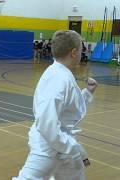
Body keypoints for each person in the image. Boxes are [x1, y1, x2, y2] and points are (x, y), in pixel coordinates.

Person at [14, 30, 98, 180]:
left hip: (62, 144)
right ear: (73, 53)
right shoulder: (58, 79)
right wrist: (70, 147)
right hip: (49, 147)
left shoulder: (62, 73)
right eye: (81, 49)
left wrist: (87, 93)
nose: (81, 53)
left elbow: (67, 108)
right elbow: (47, 123)